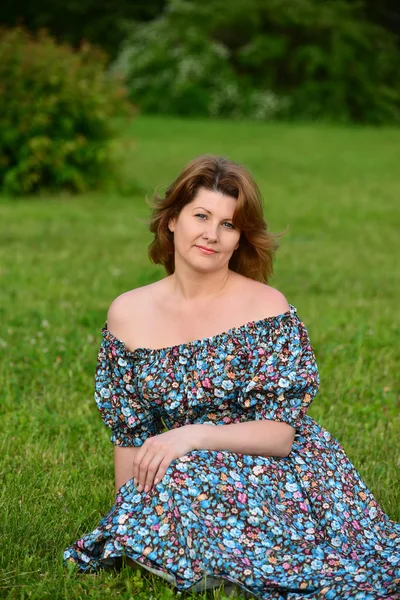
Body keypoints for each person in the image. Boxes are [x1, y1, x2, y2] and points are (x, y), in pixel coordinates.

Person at [63, 155, 400, 599]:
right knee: (175, 479)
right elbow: (130, 432)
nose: (212, 234)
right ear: (171, 222)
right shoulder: (128, 312)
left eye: (228, 224)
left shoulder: (266, 309)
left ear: (240, 238)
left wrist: (191, 435)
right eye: (201, 216)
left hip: (279, 468)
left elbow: (280, 436)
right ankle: (204, 557)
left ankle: (235, 563)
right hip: (188, 465)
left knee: (185, 473)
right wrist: (129, 519)